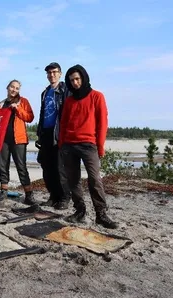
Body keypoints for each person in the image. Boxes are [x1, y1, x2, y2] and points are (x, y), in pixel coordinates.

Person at [59, 64, 118, 229]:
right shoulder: (69, 101)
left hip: (88, 145)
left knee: (94, 179)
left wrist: (100, 146)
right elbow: (63, 123)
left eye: (77, 79)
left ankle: (101, 214)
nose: (75, 83)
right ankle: (80, 211)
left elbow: (102, 123)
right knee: (73, 180)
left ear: (84, 78)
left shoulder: (97, 96)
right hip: (69, 145)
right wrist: (62, 143)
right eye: (71, 80)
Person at [0, 80, 37, 205]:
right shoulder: (0, 104)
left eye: (17, 88)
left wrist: (17, 109)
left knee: (21, 167)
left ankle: (29, 194)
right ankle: (3, 191)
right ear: (7, 87)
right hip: (3, 140)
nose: (14, 90)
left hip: (19, 140)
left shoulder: (23, 101)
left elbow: (30, 117)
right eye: (12, 87)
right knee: (3, 166)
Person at [36, 62, 71, 210]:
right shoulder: (45, 92)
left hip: (59, 132)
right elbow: (42, 113)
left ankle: (64, 197)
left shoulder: (65, 90)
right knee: (47, 166)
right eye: (49, 73)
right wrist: (39, 133)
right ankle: (53, 195)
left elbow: (68, 112)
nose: (52, 75)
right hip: (46, 132)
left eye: (54, 72)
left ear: (60, 73)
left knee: (59, 167)